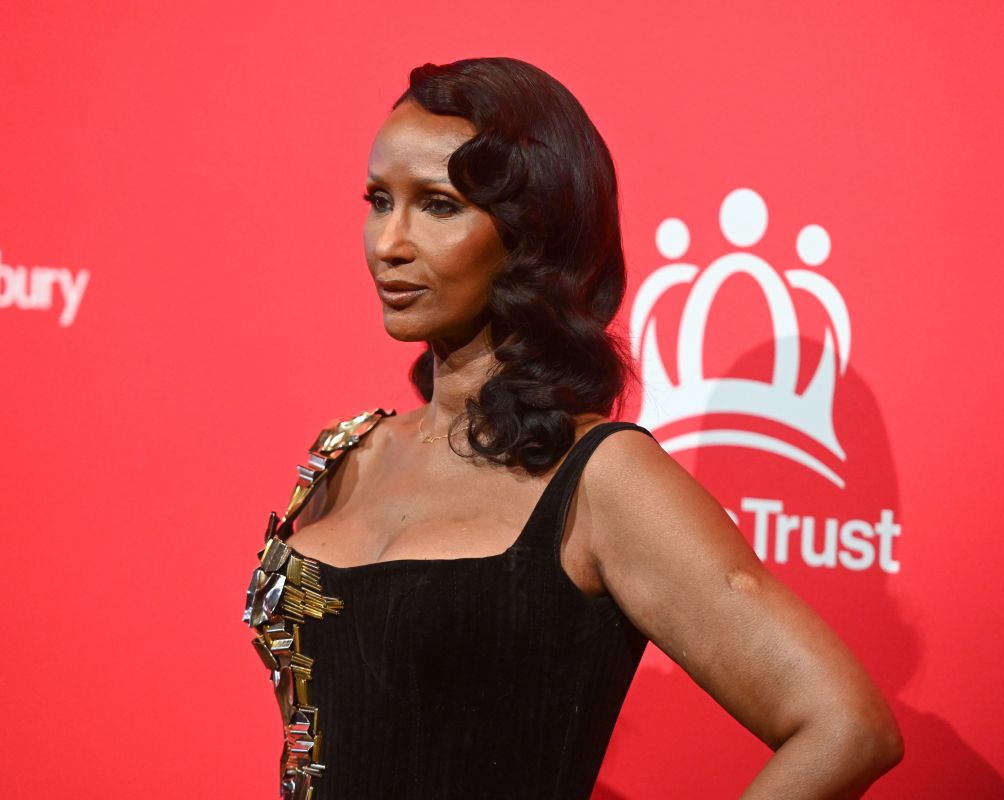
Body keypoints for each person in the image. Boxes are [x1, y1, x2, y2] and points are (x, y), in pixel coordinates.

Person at [243, 56, 903, 800]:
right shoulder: (349, 454)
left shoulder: (601, 479)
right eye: (378, 200)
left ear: (533, 234)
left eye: (438, 206)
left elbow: (847, 727)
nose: (387, 242)